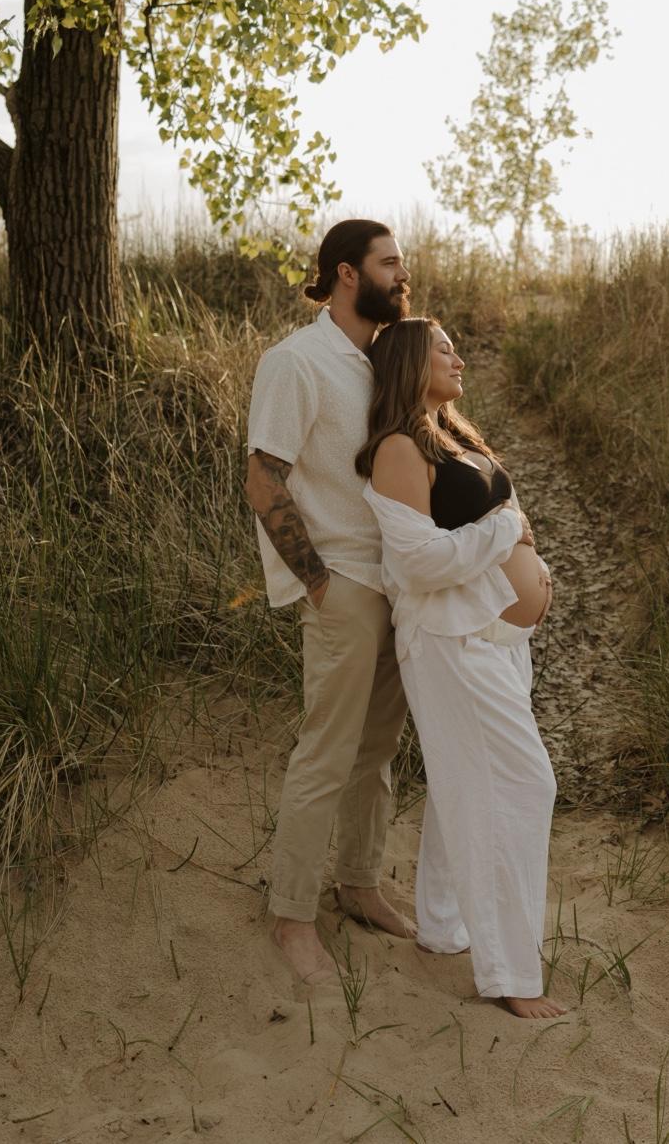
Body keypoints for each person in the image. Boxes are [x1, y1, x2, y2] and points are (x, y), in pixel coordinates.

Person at [356, 317, 565, 1019]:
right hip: (450, 640)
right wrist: (507, 532)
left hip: (496, 637)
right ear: (410, 363)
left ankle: (445, 928)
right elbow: (417, 564)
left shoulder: (453, 435)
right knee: (524, 786)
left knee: (462, 789)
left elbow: (503, 518)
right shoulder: (396, 449)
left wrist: (532, 568)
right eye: (444, 349)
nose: (459, 358)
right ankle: (511, 976)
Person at [244, 219, 417, 983]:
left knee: (376, 755)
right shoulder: (296, 362)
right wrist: (318, 582)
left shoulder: (385, 360)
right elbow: (263, 479)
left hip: (398, 586)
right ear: (348, 273)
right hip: (343, 584)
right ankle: (291, 917)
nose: (402, 276)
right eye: (390, 263)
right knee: (326, 753)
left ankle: (359, 884)